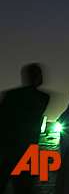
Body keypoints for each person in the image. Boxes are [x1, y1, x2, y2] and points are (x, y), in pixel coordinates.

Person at [0, 63, 50, 194]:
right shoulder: (43, 98)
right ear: (38, 76)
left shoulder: (11, 95)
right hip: (27, 153)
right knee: (23, 188)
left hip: (6, 151)